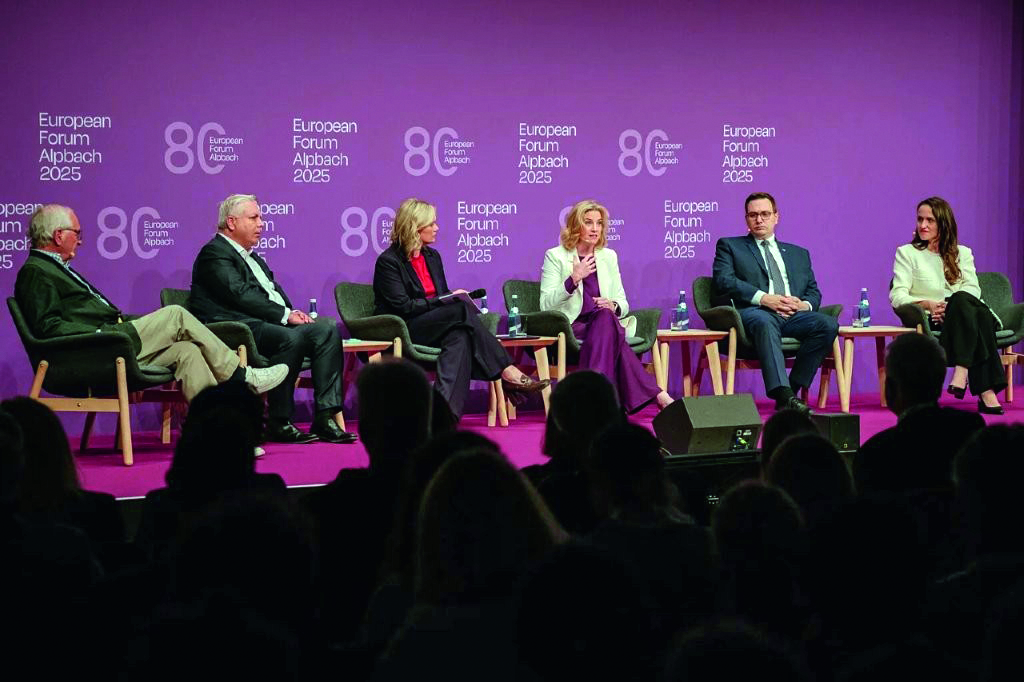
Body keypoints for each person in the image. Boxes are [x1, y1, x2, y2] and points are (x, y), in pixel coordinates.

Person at [13, 204, 288, 402]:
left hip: (112, 342)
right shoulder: (36, 271)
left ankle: (220, 430)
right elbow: (48, 327)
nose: (81, 240)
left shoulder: (55, 269)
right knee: (176, 315)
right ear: (59, 235)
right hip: (96, 351)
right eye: (77, 232)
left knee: (187, 351)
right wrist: (98, 333)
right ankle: (242, 375)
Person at [189, 194, 354, 443]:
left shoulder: (252, 257)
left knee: (327, 328)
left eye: (261, 217)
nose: (261, 223)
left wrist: (290, 313)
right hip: (236, 327)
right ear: (231, 222)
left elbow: (270, 294)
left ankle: (325, 416)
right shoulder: (214, 253)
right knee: (290, 338)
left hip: (266, 323)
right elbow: (240, 295)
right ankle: (279, 420)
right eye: (254, 218)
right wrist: (286, 315)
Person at [372, 198, 547, 420]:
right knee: (460, 311)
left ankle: (443, 417)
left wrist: (451, 298)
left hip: (436, 325)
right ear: (415, 227)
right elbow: (403, 306)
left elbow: (441, 294)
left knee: (460, 337)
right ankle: (508, 371)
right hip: (406, 328)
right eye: (431, 223)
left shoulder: (432, 256)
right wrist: (447, 301)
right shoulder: (389, 261)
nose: (437, 228)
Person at [540, 199, 672, 413]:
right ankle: (657, 394)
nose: (595, 229)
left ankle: (595, 401)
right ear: (575, 225)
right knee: (610, 330)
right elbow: (546, 305)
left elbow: (623, 302)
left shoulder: (608, 256)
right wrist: (573, 279)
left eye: (599, 223)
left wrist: (613, 305)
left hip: (603, 322)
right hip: (571, 326)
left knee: (606, 316)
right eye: (588, 222)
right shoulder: (556, 256)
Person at [711, 192, 839, 415]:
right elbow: (724, 280)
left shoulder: (798, 254)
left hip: (793, 315)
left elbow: (813, 292)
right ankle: (782, 393)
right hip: (755, 312)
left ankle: (790, 391)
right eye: (753, 215)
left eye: (765, 214)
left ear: (776, 217)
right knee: (764, 321)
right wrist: (764, 298)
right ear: (746, 219)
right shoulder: (730, 246)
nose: (759, 219)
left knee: (827, 325)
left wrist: (803, 305)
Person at [890, 196, 1006, 413]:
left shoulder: (963, 253)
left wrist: (950, 307)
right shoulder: (907, 253)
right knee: (978, 317)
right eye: (920, 219)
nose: (923, 225)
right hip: (936, 320)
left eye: (930, 220)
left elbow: (973, 290)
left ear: (943, 223)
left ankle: (962, 368)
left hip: (962, 314)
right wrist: (927, 304)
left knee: (962, 299)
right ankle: (986, 392)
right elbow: (897, 295)